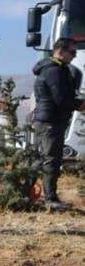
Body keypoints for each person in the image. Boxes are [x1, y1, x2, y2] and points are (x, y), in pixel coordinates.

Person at [32, 38, 85, 207]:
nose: (74, 57)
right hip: (51, 120)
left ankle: (24, 188)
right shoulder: (55, 71)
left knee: (46, 158)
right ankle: (50, 198)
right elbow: (61, 99)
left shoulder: (54, 68)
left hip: (51, 119)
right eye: (73, 53)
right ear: (60, 51)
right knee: (51, 160)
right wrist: (81, 104)